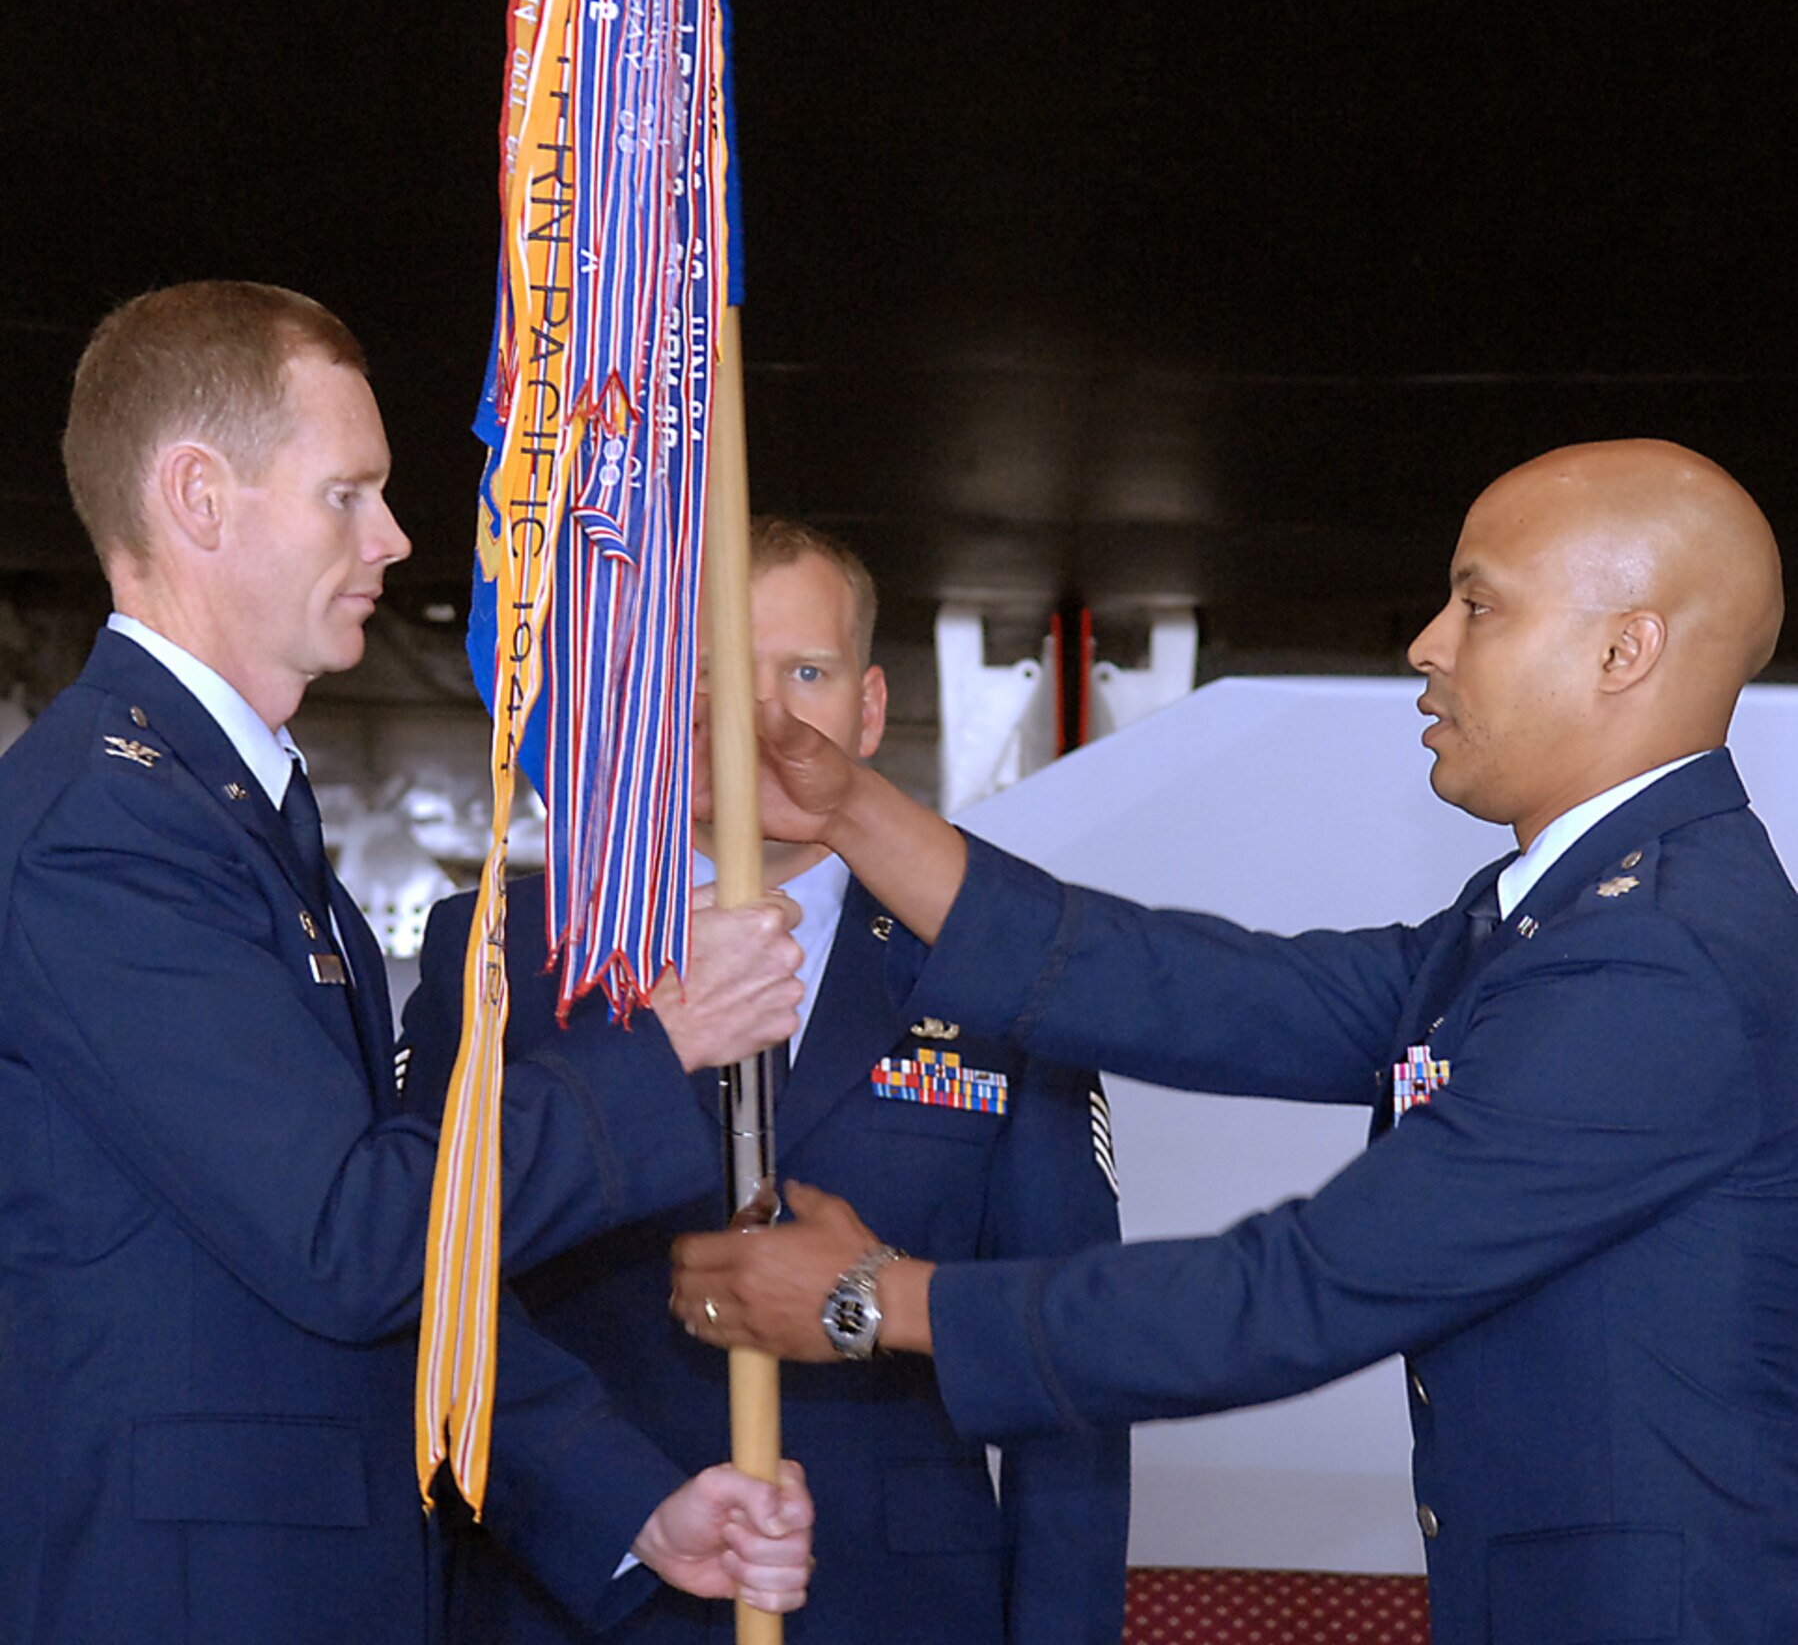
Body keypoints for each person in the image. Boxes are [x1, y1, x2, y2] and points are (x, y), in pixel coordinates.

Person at [673, 440, 1798, 1645]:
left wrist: (874, 1298)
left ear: (1624, 650)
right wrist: (846, 804)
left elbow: (1307, 1287)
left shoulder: (1653, 953)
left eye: (1477, 605)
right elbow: (1212, 991)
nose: (1426, 641)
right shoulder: (1551, 913)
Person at [0, 281, 813, 1645]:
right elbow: (357, 1242)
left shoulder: (218, 809)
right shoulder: (110, 829)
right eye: (346, 493)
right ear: (200, 499)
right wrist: (661, 1042)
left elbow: (384, 1276)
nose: (391, 536)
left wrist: (618, 1501)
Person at [405, 517, 1129, 1643]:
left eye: (805, 670)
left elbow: (1064, 1367)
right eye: (702, 673)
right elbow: (429, 1296)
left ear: (870, 706)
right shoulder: (503, 953)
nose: (756, 719)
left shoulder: (998, 963)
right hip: (575, 1591)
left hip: (894, 1606)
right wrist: (616, 1501)